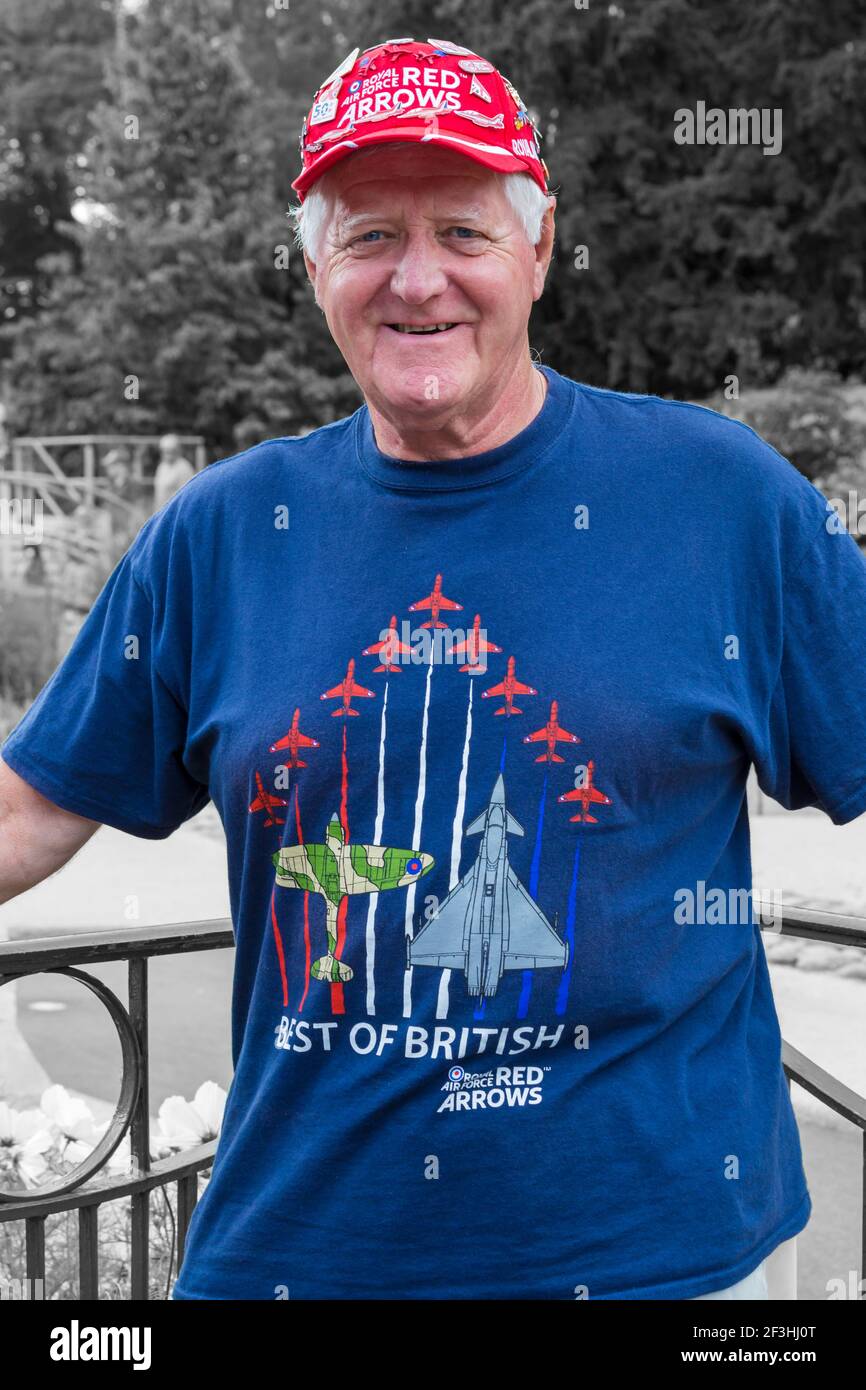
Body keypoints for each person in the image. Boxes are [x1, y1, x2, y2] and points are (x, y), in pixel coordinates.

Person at [1, 36, 865, 1303]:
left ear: (536, 246)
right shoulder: (224, 534)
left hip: (674, 1271)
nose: (417, 281)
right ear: (312, 266)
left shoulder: (719, 500)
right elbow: (28, 806)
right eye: (366, 237)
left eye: (461, 228)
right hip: (302, 1262)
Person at [153, 433, 195, 511]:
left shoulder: (184, 467)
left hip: (176, 512)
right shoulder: (162, 466)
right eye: (164, 451)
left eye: (170, 451)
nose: (167, 454)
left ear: (177, 450)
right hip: (162, 512)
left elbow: (187, 496)